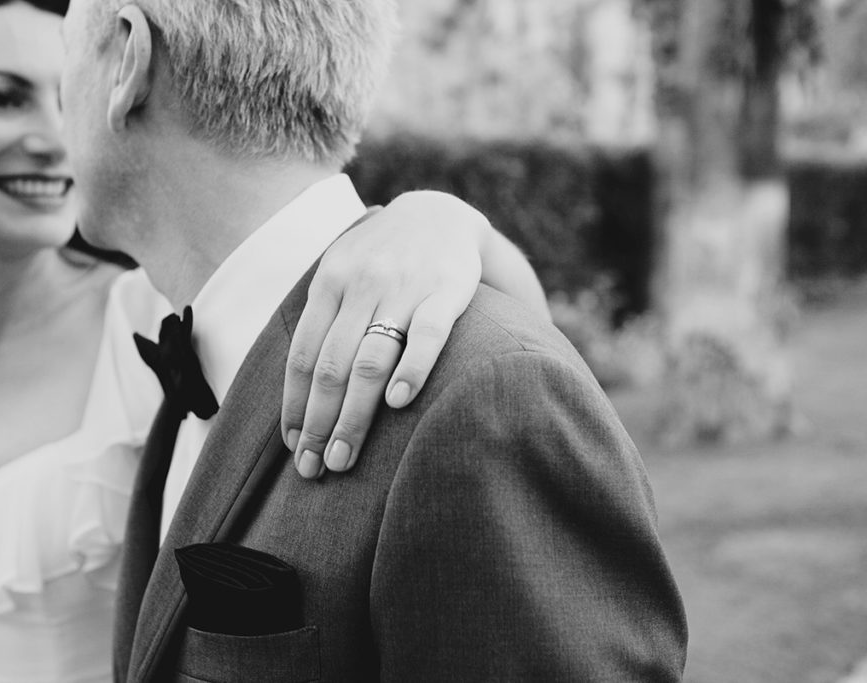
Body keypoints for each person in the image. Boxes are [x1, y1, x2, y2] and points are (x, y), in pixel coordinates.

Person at [0, 0, 551, 680]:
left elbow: (504, 365)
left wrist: (446, 223)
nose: (52, 132)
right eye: (0, 98)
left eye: (56, 88)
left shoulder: (160, 312)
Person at [60, 0, 688, 681]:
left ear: (128, 61)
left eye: (60, 61)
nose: (54, 109)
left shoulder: (485, 398)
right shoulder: (187, 350)